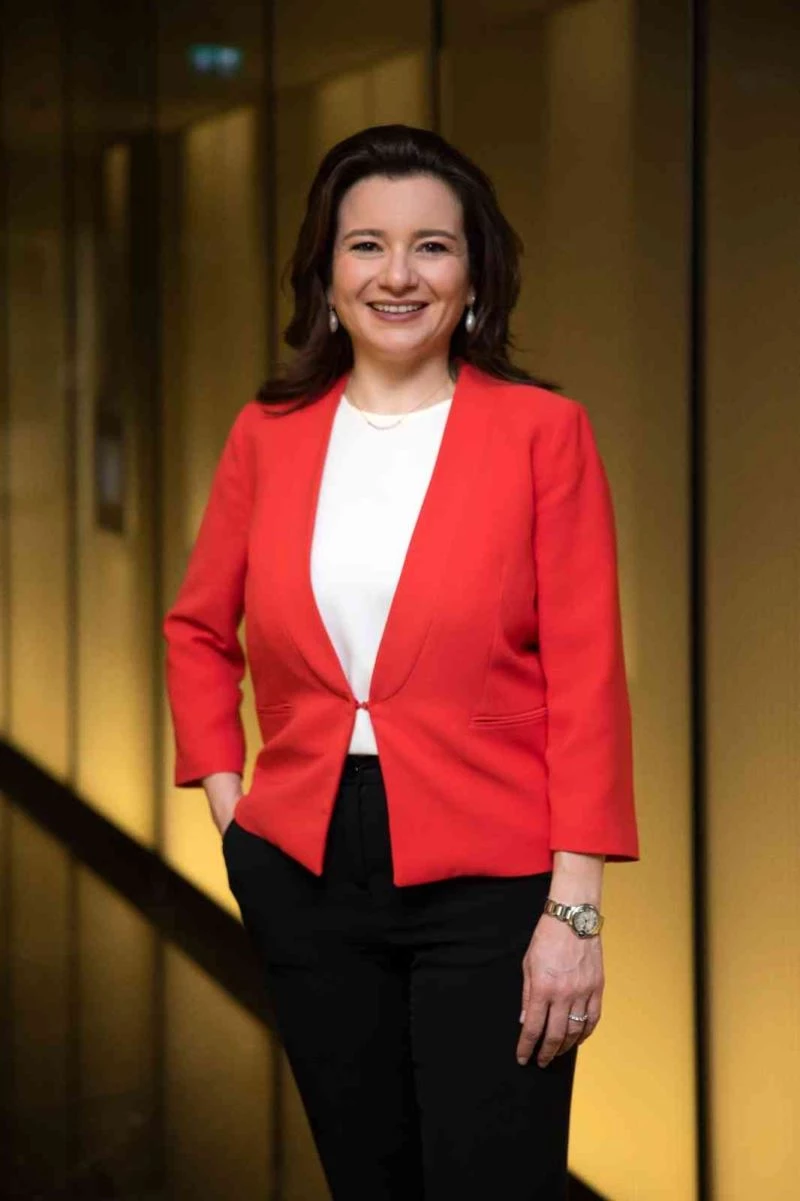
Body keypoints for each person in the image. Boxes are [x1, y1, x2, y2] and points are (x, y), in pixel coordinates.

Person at [163, 123, 639, 1201]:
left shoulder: (542, 432)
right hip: (304, 870)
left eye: (432, 245)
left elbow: (587, 677)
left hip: (495, 883)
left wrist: (574, 910)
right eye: (365, 244)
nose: (397, 274)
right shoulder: (267, 433)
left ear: (473, 275)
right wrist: (235, 814)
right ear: (326, 274)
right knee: (366, 1179)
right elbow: (197, 629)